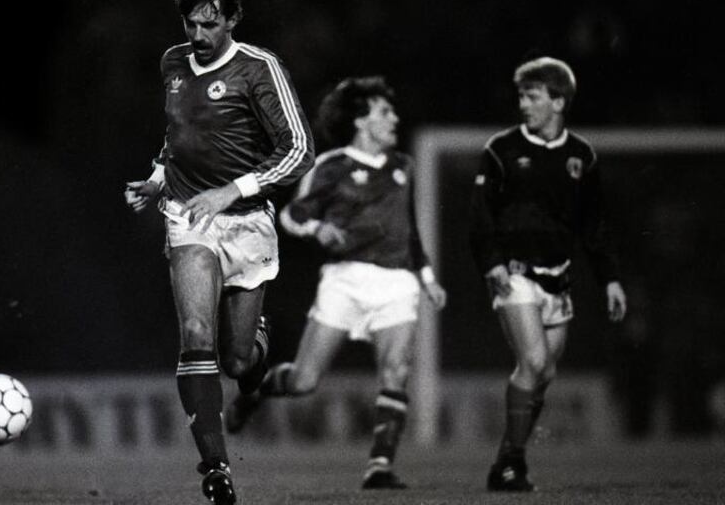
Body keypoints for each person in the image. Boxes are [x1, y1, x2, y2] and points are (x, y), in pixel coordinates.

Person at [124, 0, 313, 505]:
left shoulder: (260, 68)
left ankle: (254, 354)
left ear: (232, 18)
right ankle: (216, 469)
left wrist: (233, 190)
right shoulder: (173, 63)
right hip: (189, 216)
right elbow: (177, 133)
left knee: (235, 360)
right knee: (197, 335)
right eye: (191, 24)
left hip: (248, 220)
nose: (199, 36)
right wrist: (159, 180)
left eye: (210, 24)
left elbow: (299, 150)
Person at [222, 76, 447, 490]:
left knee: (396, 370)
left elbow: (410, 230)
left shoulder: (404, 167)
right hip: (345, 280)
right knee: (305, 381)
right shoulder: (333, 166)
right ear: (361, 121)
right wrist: (318, 228)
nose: (394, 118)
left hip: (398, 280)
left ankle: (379, 467)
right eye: (384, 111)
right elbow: (292, 216)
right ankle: (254, 393)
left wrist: (427, 277)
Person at [468, 56, 627, 492]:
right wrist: (492, 263)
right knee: (533, 362)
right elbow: (480, 218)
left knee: (545, 374)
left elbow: (595, 224)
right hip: (514, 274)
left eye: (532, 96)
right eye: (521, 95)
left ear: (558, 101)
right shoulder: (501, 150)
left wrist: (609, 277)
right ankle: (510, 464)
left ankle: (506, 461)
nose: (523, 104)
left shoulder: (581, 156)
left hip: (559, 277)